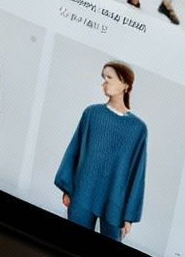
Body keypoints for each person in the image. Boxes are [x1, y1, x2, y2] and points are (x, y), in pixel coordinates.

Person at [54, 61, 146, 241]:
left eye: (109, 78)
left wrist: (129, 216)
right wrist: (68, 188)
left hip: (114, 201)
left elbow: (137, 173)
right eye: (104, 78)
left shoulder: (138, 129)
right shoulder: (91, 114)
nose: (104, 83)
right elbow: (74, 151)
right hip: (83, 193)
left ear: (125, 85)